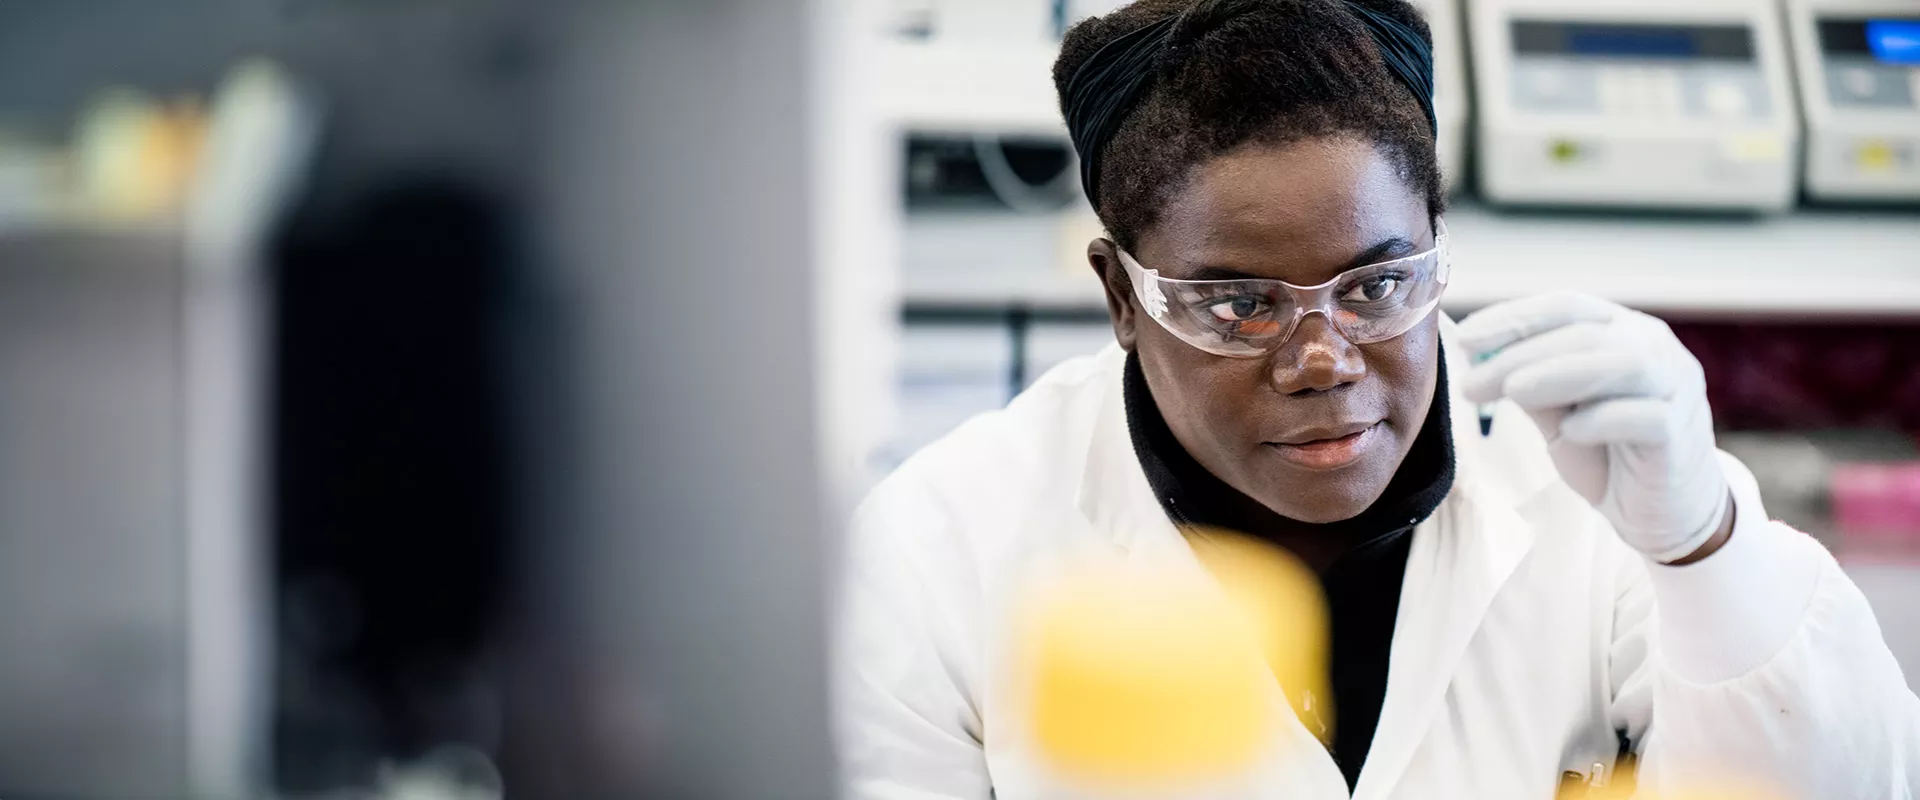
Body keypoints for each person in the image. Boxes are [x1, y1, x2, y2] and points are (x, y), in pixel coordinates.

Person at [836, 0, 1920, 797]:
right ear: (1123, 295)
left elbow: (1849, 781)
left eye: (1377, 285)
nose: (1323, 358)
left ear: (1439, 251)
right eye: (1237, 302)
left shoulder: (1599, 490)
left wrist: (1704, 545)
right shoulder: (944, 548)